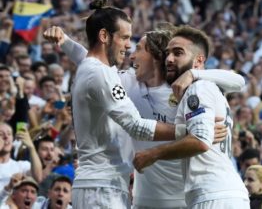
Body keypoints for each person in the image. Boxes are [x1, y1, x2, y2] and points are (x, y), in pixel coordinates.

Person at [44, 23, 245, 208]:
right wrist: (65, 41)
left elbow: (238, 81)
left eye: (139, 49)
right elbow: (92, 62)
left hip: (182, 199)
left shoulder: (184, 88)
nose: (131, 55)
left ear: (155, 56)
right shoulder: (127, 83)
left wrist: (194, 74)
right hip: (144, 200)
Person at [133, 25, 250, 208]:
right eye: (168, 54)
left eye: (178, 53)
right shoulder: (213, 87)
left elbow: (200, 141)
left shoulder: (198, 88)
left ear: (198, 60)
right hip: (228, 193)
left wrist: (153, 154)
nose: (169, 59)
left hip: (212, 195)